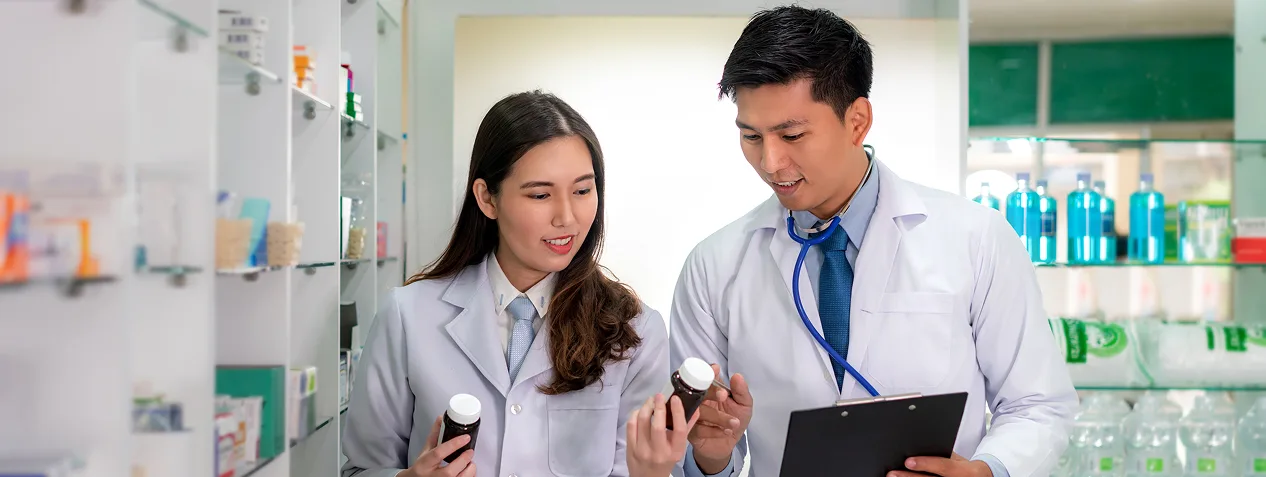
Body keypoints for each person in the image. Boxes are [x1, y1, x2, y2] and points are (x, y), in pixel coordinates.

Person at [669, 6, 1078, 477]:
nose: (771, 162)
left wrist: (987, 471)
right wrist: (711, 454)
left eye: (792, 135)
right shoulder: (714, 266)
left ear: (857, 121)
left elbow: (1037, 405)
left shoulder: (976, 238)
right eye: (751, 136)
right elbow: (695, 448)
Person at [341, 90, 695, 477]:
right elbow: (362, 468)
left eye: (582, 190)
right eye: (541, 194)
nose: (567, 217)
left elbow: (648, 468)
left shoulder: (636, 332)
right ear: (487, 199)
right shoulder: (408, 316)